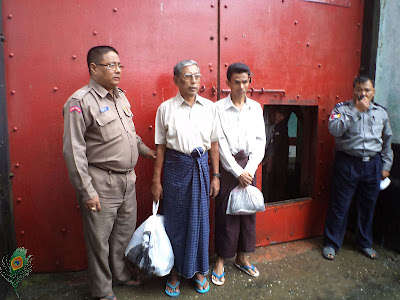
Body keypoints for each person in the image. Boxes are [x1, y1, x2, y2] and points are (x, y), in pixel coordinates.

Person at [63, 46, 156, 300]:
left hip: (128, 179)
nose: (117, 70)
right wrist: (87, 191)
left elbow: (129, 135)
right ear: (93, 68)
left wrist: (147, 151)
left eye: (119, 65)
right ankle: (102, 291)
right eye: (111, 65)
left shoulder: (120, 97)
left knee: (124, 233)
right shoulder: (80, 102)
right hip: (101, 183)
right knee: (99, 240)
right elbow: (74, 151)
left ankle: (121, 276)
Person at [151, 60, 220, 297]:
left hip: (200, 168)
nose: (194, 81)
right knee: (175, 222)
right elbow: (160, 148)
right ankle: (174, 272)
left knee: (200, 221)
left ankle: (199, 270)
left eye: (197, 77)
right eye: (188, 77)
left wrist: (216, 175)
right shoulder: (166, 109)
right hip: (175, 169)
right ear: (176, 80)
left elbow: (213, 146)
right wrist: (156, 181)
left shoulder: (210, 108)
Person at [322, 75, 393, 260]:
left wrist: (386, 166)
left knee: (367, 206)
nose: (363, 93)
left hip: (373, 164)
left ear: (373, 92)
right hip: (347, 162)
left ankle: (364, 243)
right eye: (359, 89)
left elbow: (387, 142)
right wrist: (356, 111)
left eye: (367, 90)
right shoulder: (342, 109)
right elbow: (334, 129)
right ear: (353, 90)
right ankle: (331, 243)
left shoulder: (381, 113)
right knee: (339, 205)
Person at [212, 63, 266, 286]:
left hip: (250, 167)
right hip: (228, 169)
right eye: (236, 82)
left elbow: (260, 141)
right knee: (226, 215)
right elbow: (220, 143)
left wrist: (250, 170)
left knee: (247, 213)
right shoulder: (218, 108)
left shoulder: (256, 108)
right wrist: (236, 171)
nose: (241, 86)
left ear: (250, 82)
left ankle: (242, 257)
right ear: (228, 83)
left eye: (245, 81)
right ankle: (221, 260)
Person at [262, 108, 290, 203]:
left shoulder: (274, 125)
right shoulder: (260, 117)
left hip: (263, 154)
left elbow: (270, 142)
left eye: (284, 116)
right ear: (272, 110)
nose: (281, 117)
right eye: (280, 113)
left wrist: (269, 157)